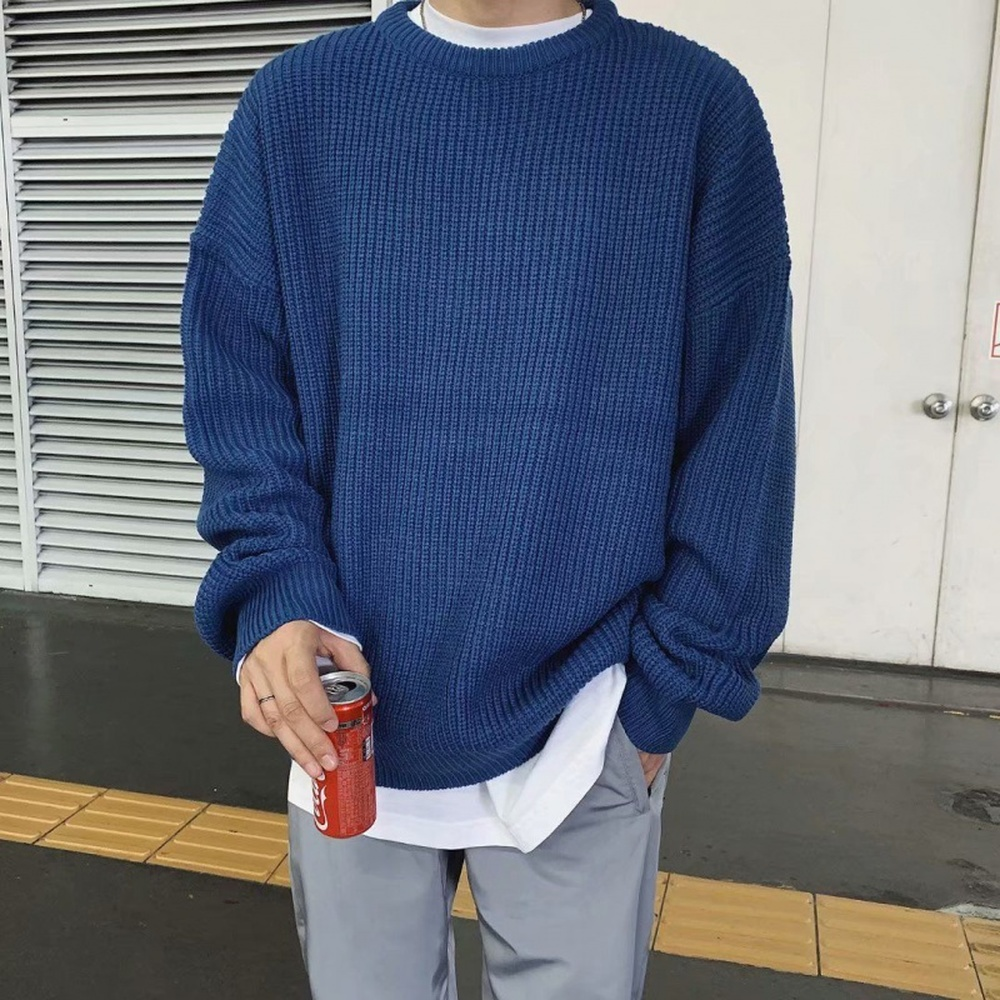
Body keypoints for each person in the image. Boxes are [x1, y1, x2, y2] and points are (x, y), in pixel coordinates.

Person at [180, 0, 795, 996]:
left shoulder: (693, 106)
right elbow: (241, 393)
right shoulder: (296, 105)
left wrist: (655, 702)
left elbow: (741, 425)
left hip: (588, 709)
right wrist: (276, 593)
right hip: (340, 704)